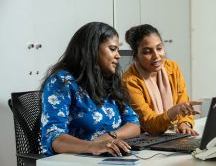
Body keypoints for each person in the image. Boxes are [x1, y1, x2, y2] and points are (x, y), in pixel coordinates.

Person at [40, 22, 140, 157]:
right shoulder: (62, 81)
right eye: (112, 49)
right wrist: (93, 146)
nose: (118, 55)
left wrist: (111, 136)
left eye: (117, 49)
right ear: (92, 49)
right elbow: (54, 137)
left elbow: (133, 123)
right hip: (75, 159)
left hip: (108, 157)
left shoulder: (109, 80)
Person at [122, 24, 200, 136]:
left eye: (159, 48)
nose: (156, 56)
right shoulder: (130, 80)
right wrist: (172, 113)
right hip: (148, 139)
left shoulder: (173, 67)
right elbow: (149, 125)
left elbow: (183, 104)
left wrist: (184, 123)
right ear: (135, 56)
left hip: (172, 135)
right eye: (147, 52)